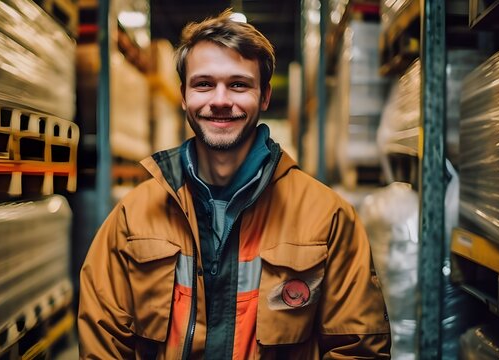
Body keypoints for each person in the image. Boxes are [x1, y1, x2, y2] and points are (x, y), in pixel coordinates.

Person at [78, 9, 391, 359]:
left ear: (265, 96)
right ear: (184, 96)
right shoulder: (132, 217)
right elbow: (103, 341)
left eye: (239, 84)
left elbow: (358, 348)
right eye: (204, 84)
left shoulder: (328, 217)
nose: (221, 100)